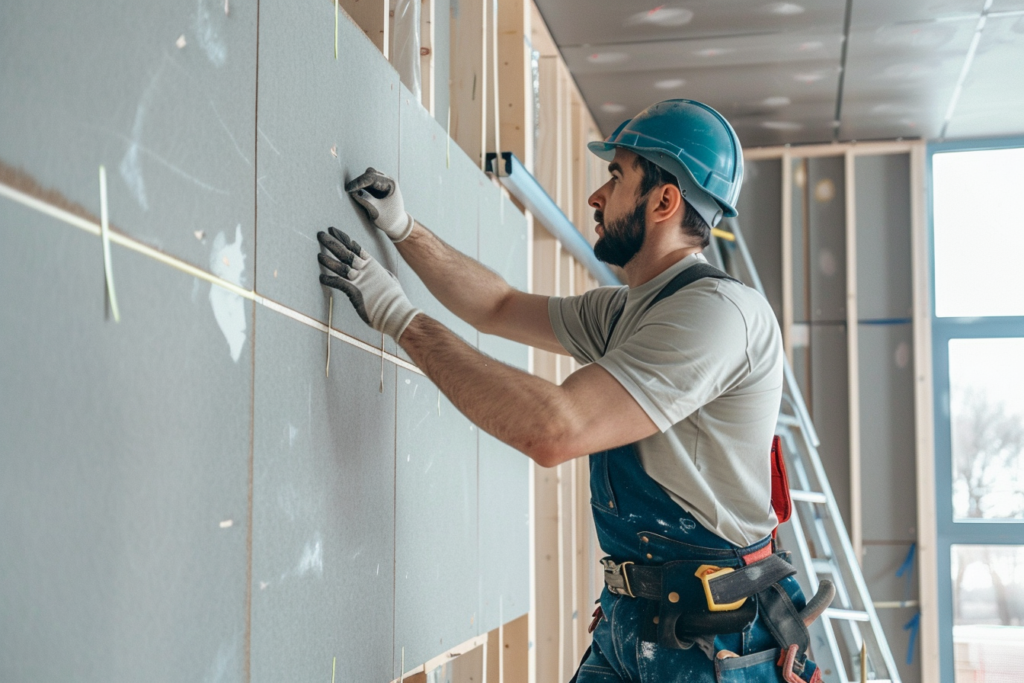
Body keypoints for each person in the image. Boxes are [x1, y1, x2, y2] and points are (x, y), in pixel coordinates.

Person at [316, 99, 830, 682]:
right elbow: (499, 306)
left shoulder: (716, 315)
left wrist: (401, 319)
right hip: (641, 619)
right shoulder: (628, 312)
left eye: (616, 178)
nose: (596, 198)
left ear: (664, 201)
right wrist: (404, 230)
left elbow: (555, 429)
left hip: (718, 643)